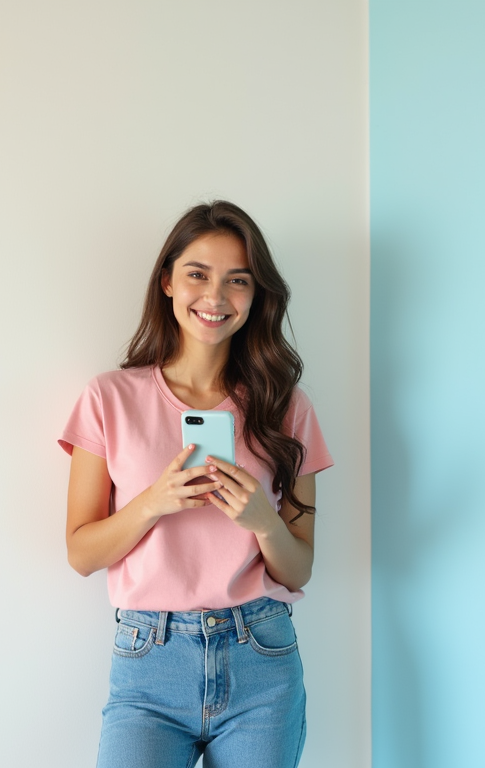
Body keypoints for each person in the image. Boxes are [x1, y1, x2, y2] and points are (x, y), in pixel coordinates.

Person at [58, 200, 333, 768]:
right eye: (198, 274)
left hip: (261, 655)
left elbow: (300, 567)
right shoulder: (108, 398)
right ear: (167, 281)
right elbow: (81, 553)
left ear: (257, 296)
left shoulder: (288, 407)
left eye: (238, 281)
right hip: (148, 662)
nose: (216, 297)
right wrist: (152, 503)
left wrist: (261, 522)